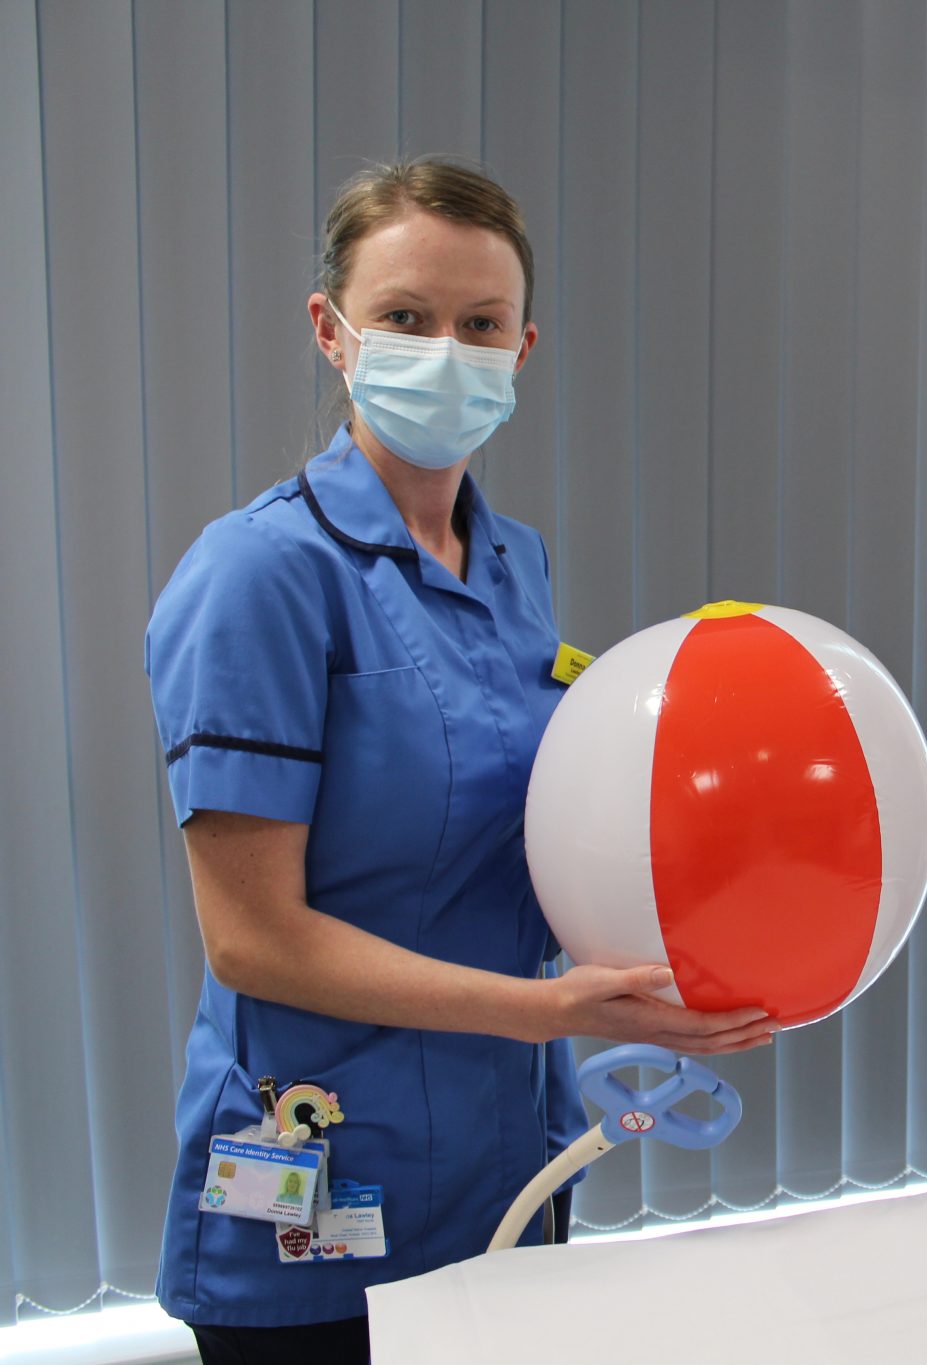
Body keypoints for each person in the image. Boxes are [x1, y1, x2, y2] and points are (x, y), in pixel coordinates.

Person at [144, 157, 777, 1363]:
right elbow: (252, 937)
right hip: (321, 1177)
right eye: (404, 318)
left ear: (522, 349)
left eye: (479, 325)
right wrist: (547, 1011)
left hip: (507, 1159)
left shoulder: (511, 565)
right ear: (332, 332)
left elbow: (522, 829)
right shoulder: (258, 576)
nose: (446, 350)